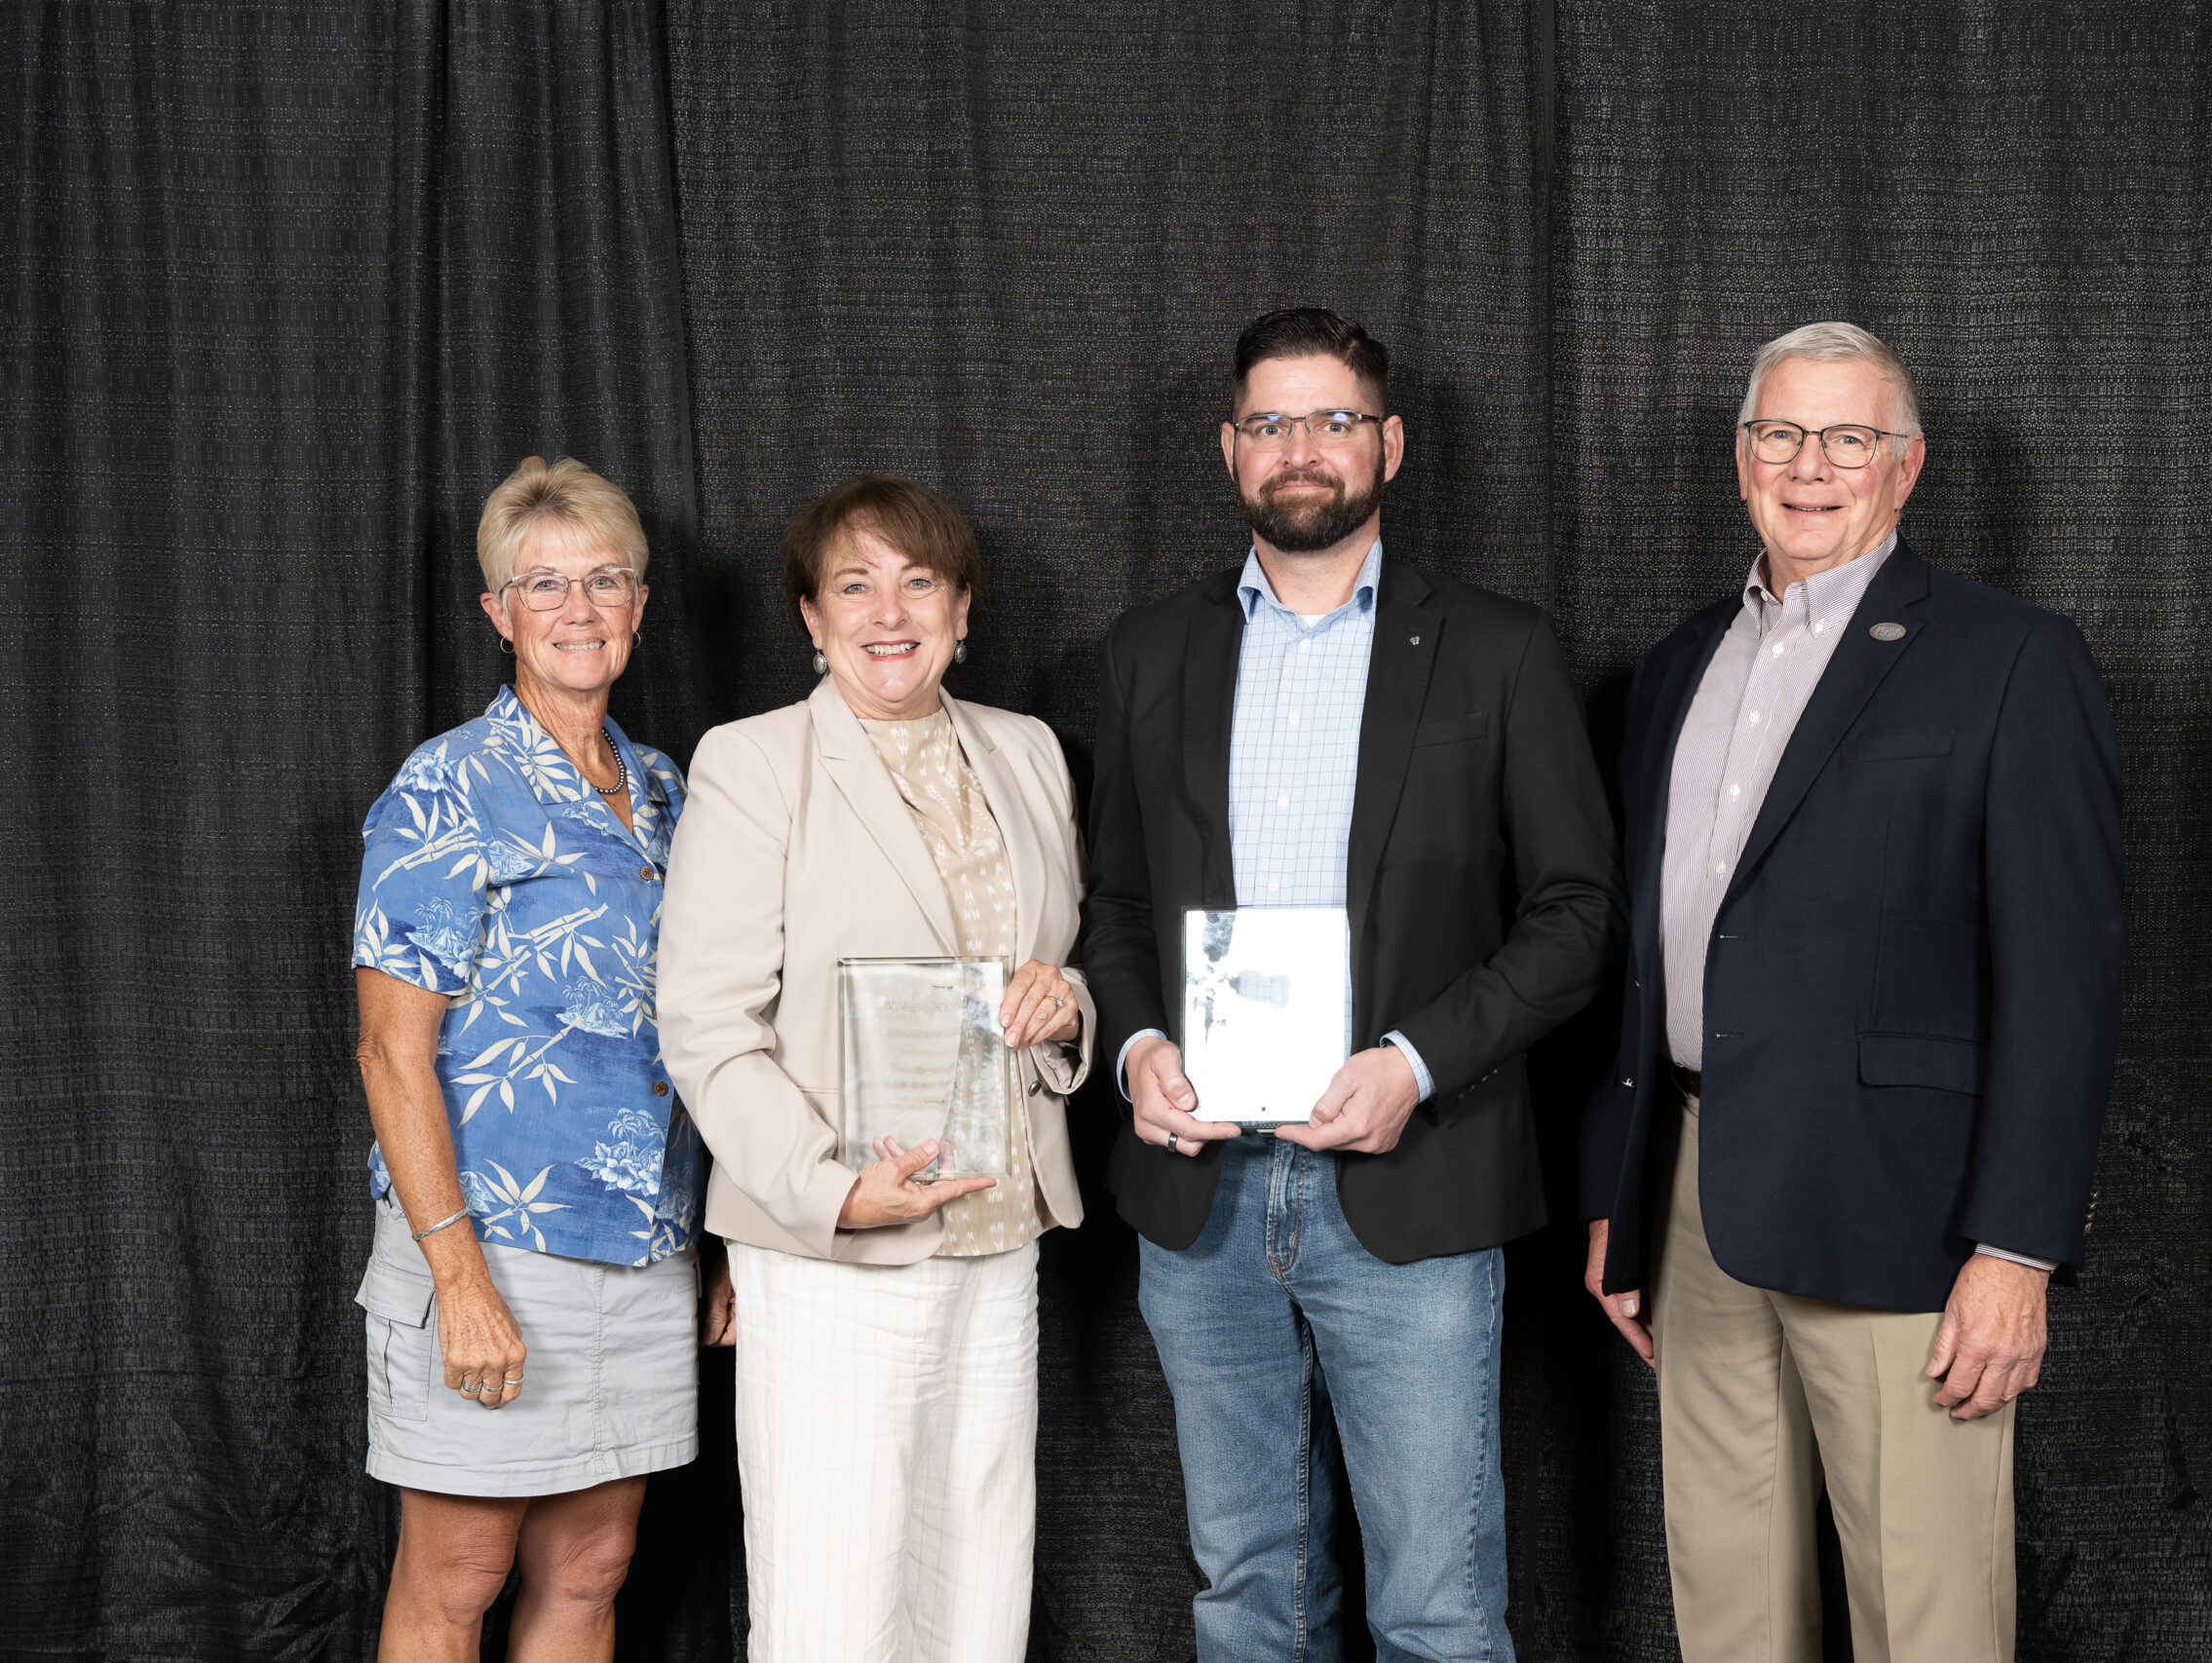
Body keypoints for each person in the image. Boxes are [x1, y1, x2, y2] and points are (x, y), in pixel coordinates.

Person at [1082, 306, 1623, 1662]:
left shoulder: (1498, 650)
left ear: (1387, 441)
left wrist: (1416, 1061)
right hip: (1198, 1194)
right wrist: (1141, 1041)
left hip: (1417, 1176)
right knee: (1247, 1594)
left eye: (1331, 420)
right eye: (1271, 422)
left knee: (1437, 1604)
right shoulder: (1150, 651)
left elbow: (1575, 914)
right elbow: (1119, 904)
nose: (1300, 450)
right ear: (1229, 448)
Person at [1579, 321, 2125, 1662]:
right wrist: (1622, 1188)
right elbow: (1645, 953)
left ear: (1907, 466)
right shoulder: (1675, 664)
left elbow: (2068, 977)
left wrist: (2018, 1247)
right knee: (1729, 1606)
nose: (1807, 465)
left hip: (1909, 1214)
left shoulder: (2008, 659)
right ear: (1740, 456)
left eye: (1847, 438)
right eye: (1779, 433)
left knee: (1924, 1615)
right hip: (1697, 1201)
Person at [655, 475, 1091, 1661]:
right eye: (853, 583)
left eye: (918, 581)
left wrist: (1066, 1009)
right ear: (809, 615)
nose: (886, 610)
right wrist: (830, 1189)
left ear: (963, 609)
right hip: (836, 1240)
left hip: (1000, 1233)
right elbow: (703, 1020)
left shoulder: (1029, 751)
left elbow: (1051, 974)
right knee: (834, 1598)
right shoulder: (754, 763)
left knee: (977, 1585)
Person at [351, 456, 710, 1661]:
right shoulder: (449, 787)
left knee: (593, 1571)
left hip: (644, 1241)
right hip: (492, 1244)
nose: (577, 607)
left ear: (641, 605)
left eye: (603, 579)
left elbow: (707, 1029)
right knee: (460, 1574)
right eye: (541, 583)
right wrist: (457, 1279)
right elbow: (391, 1051)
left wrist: (720, 1239)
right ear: (499, 612)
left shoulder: (667, 791)